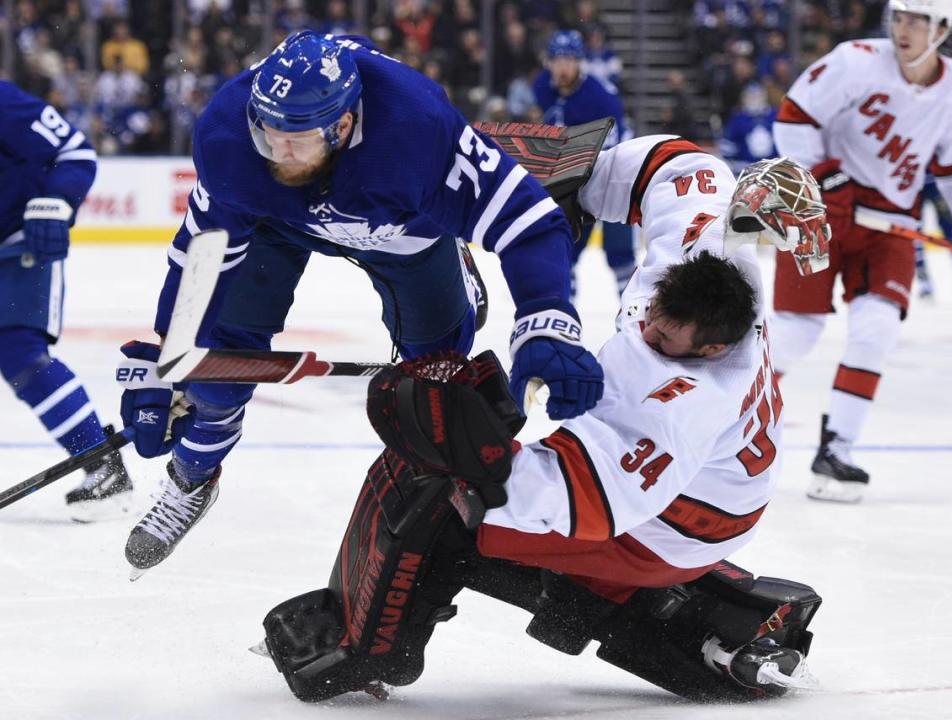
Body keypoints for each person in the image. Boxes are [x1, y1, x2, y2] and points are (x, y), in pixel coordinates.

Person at [252, 138, 828, 703]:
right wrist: (582, 177)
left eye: (665, 339)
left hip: (675, 527)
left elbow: (580, 505)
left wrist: (472, 448)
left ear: (709, 351)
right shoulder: (708, 254)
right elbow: (682, 166)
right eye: (651, 317)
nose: (648, 332)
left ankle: (365, 652)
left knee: (444, 502)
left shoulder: (685, 401)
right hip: (698, 484)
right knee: (447, 483)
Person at [116, 31, 604, 577]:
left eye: (296, 139)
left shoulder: (416, 131)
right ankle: (191, 477)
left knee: (435, 378)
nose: (278, 152)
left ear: (343, 125)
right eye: (267, 132)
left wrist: (546, 323)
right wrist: (171, 357)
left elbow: (531, 221)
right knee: (214, 372)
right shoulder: (230, 133)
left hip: (401, 233)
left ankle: (456, 269)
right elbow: (201, 259)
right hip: (275, 224)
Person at [771, 0, 952, 502]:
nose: (905, 29)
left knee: (876, 330)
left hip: (889, 226)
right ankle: (717, 422)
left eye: (918, 21)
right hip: (819, 210)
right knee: (794, 334)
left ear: (942, 29)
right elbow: (792, 118)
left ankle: (837, 450)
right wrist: (826, 177)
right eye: (899, 17)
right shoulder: (854, 60)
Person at [0, 81, 133, 521]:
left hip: (19, 242)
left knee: (21, 354)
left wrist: (56, 202)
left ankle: (101, 464)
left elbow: (74, 153)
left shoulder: (5, 103)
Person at [534, 29, 635, 296]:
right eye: (557, 60)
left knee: (620, 254)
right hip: (570, 178)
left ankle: (634, 312)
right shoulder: (543, 85)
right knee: (562, 248)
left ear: (580, 62)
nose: (562, 66)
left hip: (612, 175)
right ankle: (562, 312)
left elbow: (612, 149)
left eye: (569, 59)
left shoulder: (601, 97)